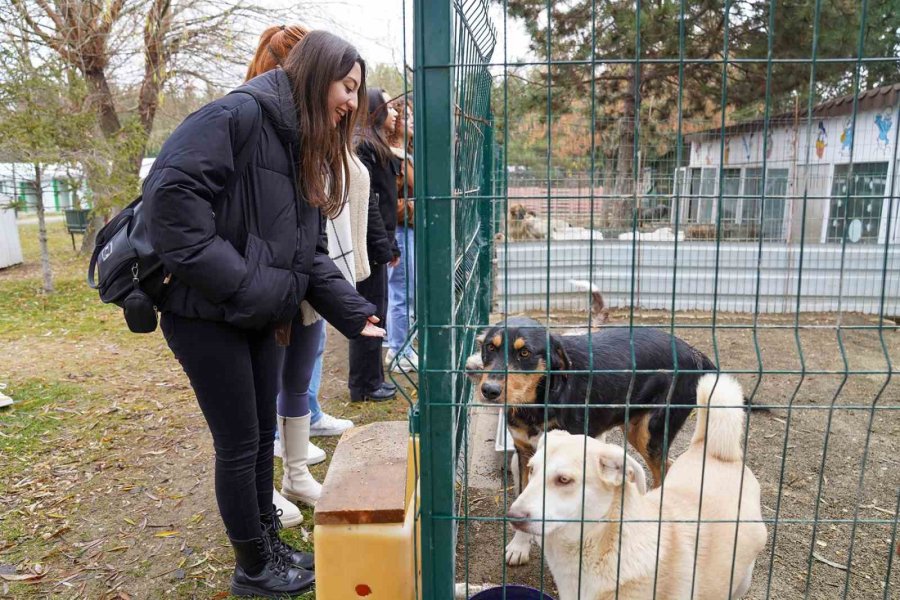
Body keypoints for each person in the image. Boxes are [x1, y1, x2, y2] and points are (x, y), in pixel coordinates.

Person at [144, 30, 383, 597]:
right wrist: (247, 284)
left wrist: (355, 313)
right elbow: (170, 207)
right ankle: (253, 567)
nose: (352, 102)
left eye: (357, 91)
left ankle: (269, 543)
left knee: (256, 439)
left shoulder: (297, 141)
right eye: (346, 87)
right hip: (206, 314)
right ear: (316, 72)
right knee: (238, 442)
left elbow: (309, 255)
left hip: (253, 315)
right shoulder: (236, 115)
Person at [245, 24, 372, 527]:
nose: (348, 97)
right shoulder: (264, 127)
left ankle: (295, 473)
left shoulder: (322, 130)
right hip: (280, 280)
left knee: (299, 378)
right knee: (261, 393)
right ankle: (261, 491)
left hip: (320, 274)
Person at [349, 88, 402, 402]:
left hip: (380, 243)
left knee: (376, 310)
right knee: (369, 312)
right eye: (390, 107)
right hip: (370, 246)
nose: (395, 113)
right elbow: (371, 206)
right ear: (375, 110)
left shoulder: (377, 146)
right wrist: (385, 247)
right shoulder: (365, 148)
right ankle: (364, 385)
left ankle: (373, 380)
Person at [384, 97, 417, 374]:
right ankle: (399, 350)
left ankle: (401, 344)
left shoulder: (407, 154)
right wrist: (418, 208)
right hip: (400, 231)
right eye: (405, 116)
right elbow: (388, 203)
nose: (410, 120)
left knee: (405, 291)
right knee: (401, 292)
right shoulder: (390, 156)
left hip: (409, 229)